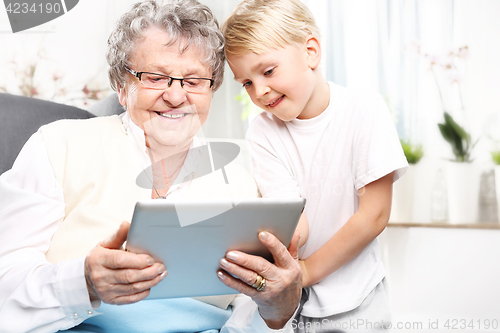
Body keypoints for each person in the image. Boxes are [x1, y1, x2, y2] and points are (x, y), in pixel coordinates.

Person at [0, 0, 303, 332]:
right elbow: (5, 275)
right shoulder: (58, 145)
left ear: (211, 90)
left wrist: (278, 309)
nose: (175, 97)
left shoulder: (242, 185)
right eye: (156, 77)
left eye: (193, 81)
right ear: (121, 86)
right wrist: (83, 283)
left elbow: (251, 312)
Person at [222, 0, 408, 332]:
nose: (259, 91)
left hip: (358, 301)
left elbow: (374, 215)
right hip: (296, 304)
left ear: (311, 52)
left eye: (267, 71)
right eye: (246, 83)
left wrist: (306, 271)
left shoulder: (363, 109)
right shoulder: (263, 130)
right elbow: (295, 221)